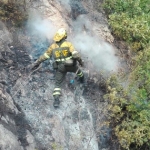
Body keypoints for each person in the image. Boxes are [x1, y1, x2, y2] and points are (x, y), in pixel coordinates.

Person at [31, 28, 84, 108]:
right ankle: (82, 80)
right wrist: (81, 62)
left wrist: (36, 63)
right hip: (71, 66)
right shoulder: (68, 44)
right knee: (79, 72)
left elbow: (45, 56)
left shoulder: (52, 47)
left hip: (60, 68)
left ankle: (56, 101)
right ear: (64, 37)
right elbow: (76, 55)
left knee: (57, 84)